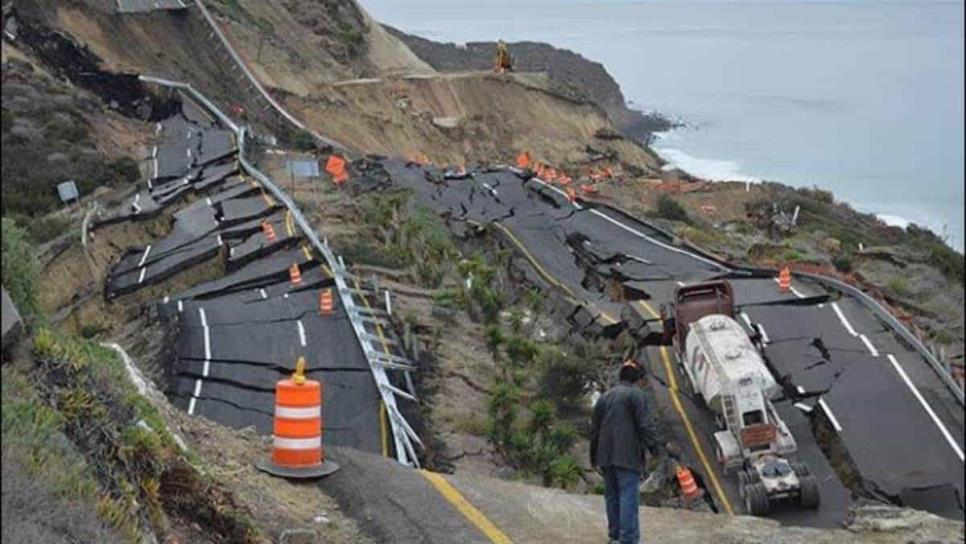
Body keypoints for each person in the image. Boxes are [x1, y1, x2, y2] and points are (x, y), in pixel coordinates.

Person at [591, 361, 666, 544]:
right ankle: (628, 539)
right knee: (627, 496)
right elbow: (645, 424)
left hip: (605, 455)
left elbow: (595, 429)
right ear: (638, 380)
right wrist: (656, 448)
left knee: (612, 496)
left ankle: (614, 535)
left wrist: (594, 456)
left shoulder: (604, 397)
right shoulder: (636, 396)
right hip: (627, 455)